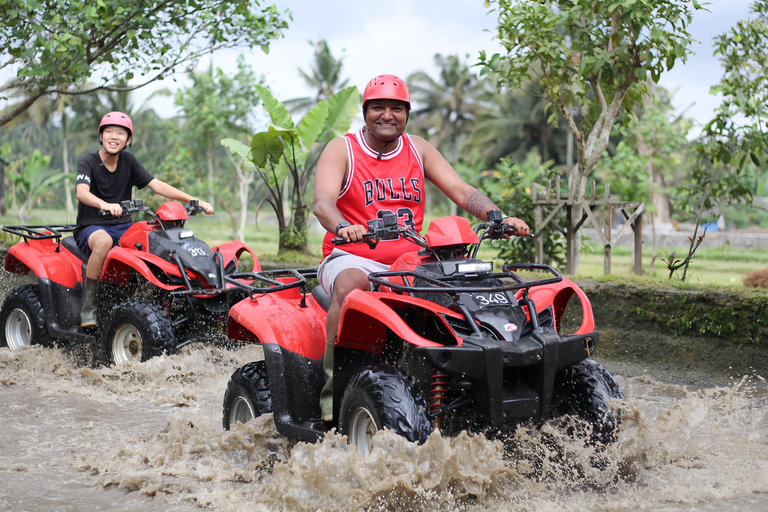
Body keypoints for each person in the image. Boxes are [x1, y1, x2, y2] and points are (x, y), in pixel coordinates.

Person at [312, 74, 530, 421]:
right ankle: (333, 393)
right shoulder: (344, 149)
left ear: (407, 113)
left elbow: (460, 190)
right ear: (365, 112)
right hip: (352, 256)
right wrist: (344, 227)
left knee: (468, 290)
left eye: (396, 109)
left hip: (410, 260)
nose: (387, 115)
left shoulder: (418, 148)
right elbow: (323, 201)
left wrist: (496, 216)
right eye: (379, 108)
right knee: (351, 284)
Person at [74, 111, 213, 328]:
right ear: (100, 136)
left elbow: (157, 186)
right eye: (108, 131)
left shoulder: (129, 161)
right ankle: (89, 305)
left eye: (120, 133)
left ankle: (157, 302)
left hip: (123, 226)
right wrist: (106, 205)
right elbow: (82, 193)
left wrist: (195, 199)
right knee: (104, 242)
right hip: (92, 227)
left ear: (128, 140)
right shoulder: (88, 162)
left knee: (157, 242)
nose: (114, 136)